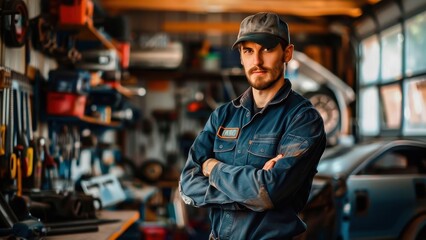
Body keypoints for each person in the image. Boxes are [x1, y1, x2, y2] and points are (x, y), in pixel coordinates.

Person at [179, 12, 327, 239]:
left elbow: (269, 192)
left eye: (267, 49)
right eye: (248, 51)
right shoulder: (222, 116)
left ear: (287, 53)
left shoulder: (303, 120)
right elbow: (187, 184)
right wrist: (250, 194)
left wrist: (211, 168)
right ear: (241, 56)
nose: (256, 61)